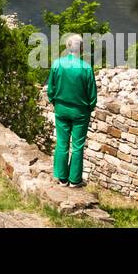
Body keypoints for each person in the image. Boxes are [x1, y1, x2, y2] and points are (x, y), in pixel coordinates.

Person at [45, 34, 97, 188]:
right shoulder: (86, 68)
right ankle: (75, 180)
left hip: (61, 109)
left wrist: (56, 102)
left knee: (62, 143)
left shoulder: (57, 64)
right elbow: (92, 95)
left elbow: (50, 90)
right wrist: (89, 107)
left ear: (68, 47)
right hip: (80, 112)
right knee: (78, 145)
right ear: (81, 48)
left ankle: (62, 178)